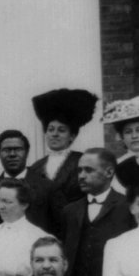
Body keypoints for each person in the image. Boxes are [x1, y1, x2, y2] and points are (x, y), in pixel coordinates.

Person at [60, 148, 134, 276]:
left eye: (88, 170)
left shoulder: (128, 208)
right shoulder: (70, 211)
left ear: (109, 172)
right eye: (79, 170)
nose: (81, 176)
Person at [28, 88, 99, 227]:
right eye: (51, 129)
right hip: (44, 230)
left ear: (72, 136)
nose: (55, 134)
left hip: (76, 226)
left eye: (61, 130)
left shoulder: (83, 161)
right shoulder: (35, 167)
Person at [0, 129, 51, 233]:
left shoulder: (48, 189)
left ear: (27, 152)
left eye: (18, 149)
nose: (12, 154)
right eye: (6, 150)